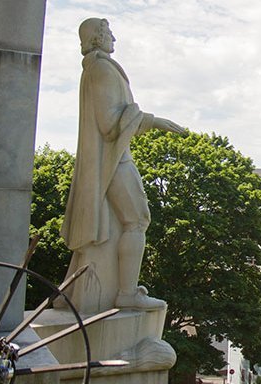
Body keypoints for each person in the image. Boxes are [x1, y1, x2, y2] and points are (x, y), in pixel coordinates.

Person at [60, 17, 185, 310]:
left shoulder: (96, 69)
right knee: (137, 220)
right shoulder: (101, 69)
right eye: (109, 33)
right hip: (114, 160)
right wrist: (154, 121)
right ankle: (126, 293)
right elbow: (109, 122)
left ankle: (82, 292)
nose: (113, 38)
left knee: (130, 222)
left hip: (109, 159)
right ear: (97, 38)